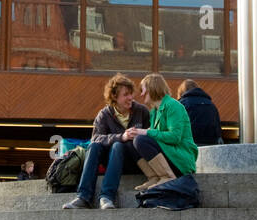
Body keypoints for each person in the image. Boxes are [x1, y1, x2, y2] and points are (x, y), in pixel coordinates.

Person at [63, 73, 149, 211]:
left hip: (135, 161)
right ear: (114, 96)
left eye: (131, 93)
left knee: (118, 146)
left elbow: (151, 136)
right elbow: (96, 138)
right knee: (95, 145)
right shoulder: (104, 114)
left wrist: (137, 136)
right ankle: (84, 197)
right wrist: (121, 136)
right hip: (111, 160)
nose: (131, 98)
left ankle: (107, 197)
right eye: (126, 94)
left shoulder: (142, 111)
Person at [125, 74, 198, 190]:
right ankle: (154, 177)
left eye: (142, 89)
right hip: (169, 156)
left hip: (180, 161)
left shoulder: (173, 106)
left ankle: (167, 176)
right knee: (130, 143)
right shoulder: (154, 111)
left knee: (141, 139)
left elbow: (175, 137)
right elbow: (157, 136)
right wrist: (140, 132)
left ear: (151, 88)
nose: (141, 94)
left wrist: (146, 132)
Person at [177, 79, 222, 145]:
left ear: (181, 91)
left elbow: (176, 126)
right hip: (210, 144)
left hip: (189, 144)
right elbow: (217, 127)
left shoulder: (181, 104)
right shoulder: (211, 104)